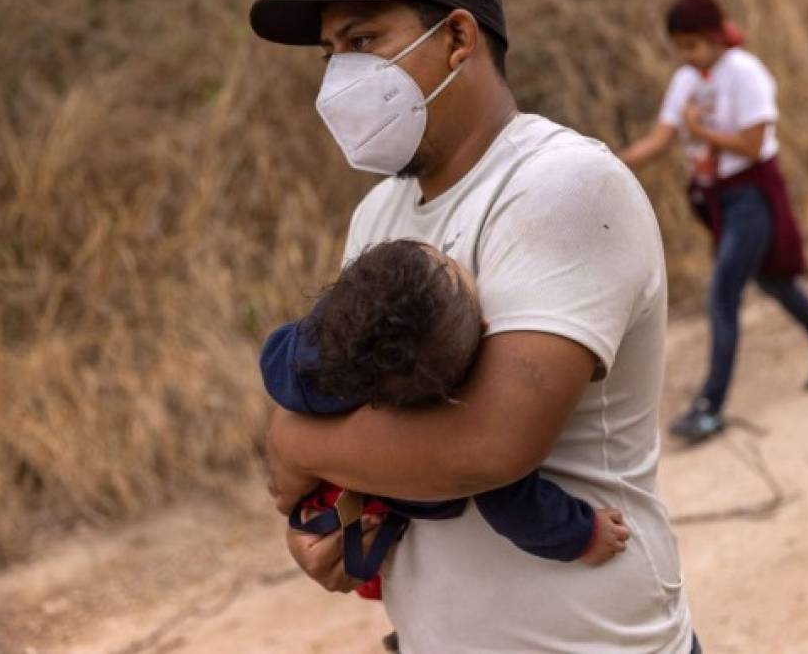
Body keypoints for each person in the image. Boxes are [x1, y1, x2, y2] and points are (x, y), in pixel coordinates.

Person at [251, 0, 699, 652]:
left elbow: (487, 446)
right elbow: (351, 401)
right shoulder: (377, 214)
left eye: (365, 41)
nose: (340, 76)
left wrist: (290, 440)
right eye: (329, 54)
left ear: (458, 39)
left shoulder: (561, 184)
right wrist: (331, 524)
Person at [259, 239, 630, 602]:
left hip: (353, 522)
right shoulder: (459, 424)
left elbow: (277, 357)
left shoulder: (311, 371)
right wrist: (584, 534)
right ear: (483, 327)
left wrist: (328, 329)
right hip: (389, 536)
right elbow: (515, 506)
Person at [618, 0, 808, 443]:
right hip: (718, 199)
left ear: (713, 37)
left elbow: (751, 144)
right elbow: (663, 137)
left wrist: (702, 130)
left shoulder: (746, 73)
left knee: (723, 295)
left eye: (692, 45)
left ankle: (710, 406)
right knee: (773, 282)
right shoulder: (687, 78)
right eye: (679, 48)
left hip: (752, 196)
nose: (685, 56)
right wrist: (611, 161)